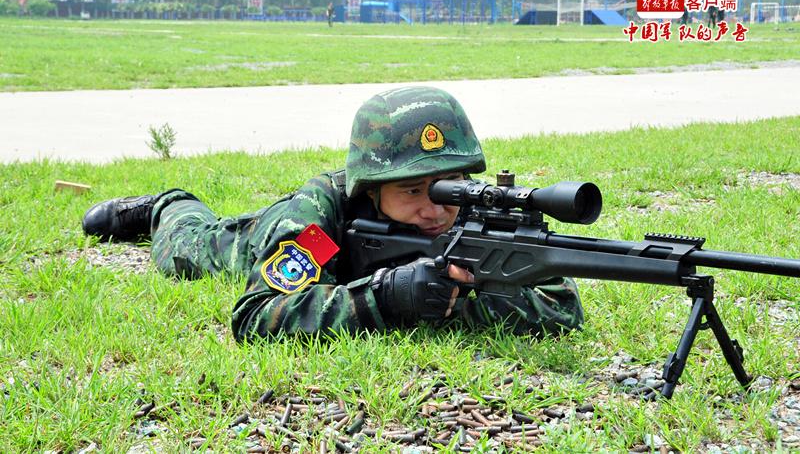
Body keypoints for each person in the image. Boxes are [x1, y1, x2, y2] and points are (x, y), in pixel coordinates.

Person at [82, 87, 584, 341]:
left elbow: (562, 305)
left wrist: (450, 304)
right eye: (412, 190)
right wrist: (386, 298)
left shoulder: (471, 214)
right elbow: (256, 317)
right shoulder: (321, 217)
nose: (435, 209)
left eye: (449, 188)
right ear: (371, 190)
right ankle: (166, 203)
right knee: (188, 245)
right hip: (253, 237)